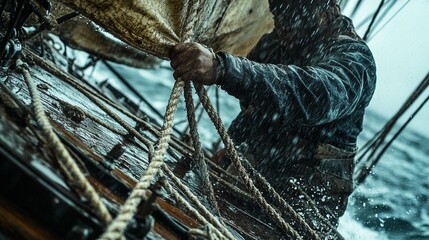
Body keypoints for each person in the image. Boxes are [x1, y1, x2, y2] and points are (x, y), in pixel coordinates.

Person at [170, 0, 376, 232]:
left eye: (292, 19)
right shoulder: (274, 44)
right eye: (278, 16)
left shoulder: (356, 61)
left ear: (323, 16)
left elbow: (317, 96)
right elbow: (252, 111)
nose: (282, 27)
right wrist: (232, 150)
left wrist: (223, 69)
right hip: (248, 185)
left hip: (303, 216)